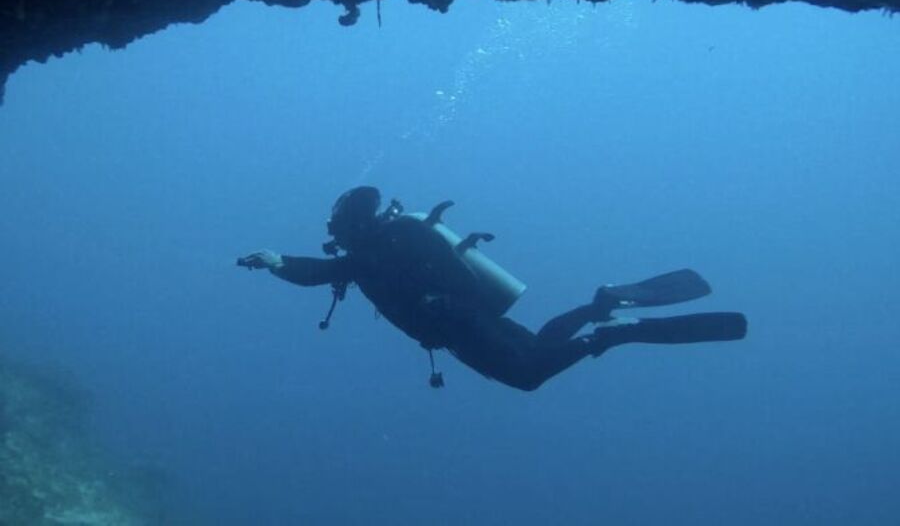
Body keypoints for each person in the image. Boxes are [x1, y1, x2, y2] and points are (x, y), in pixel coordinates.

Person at [239, 186, 746, 391]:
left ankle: (607, 332)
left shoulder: (383, 247)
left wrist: (279, 263)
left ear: (351, 225)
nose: (335, 237)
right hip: (467, 320)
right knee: (539, 347)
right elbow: (321, 272)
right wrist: (278, 262)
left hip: (460, 325)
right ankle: (600, 305)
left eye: (337, 227)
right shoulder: (380, 248)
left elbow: (322, 272)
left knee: (527, 375)